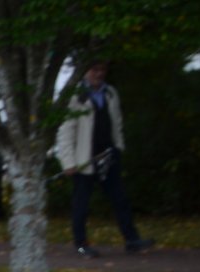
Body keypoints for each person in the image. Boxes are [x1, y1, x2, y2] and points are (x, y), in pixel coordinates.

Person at [54, 61, 155, 258]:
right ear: (85, 71)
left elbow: (117, 123)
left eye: (102, 70)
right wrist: (68, 161)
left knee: (120, 199)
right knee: (81, 203)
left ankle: (132, 239)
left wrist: (118, 147)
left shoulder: (110, 93)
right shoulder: (76, 97)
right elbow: (65, 131)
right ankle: (81, 244)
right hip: (85, 159)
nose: (99, 74)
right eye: (95, 70)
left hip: (108, 155)